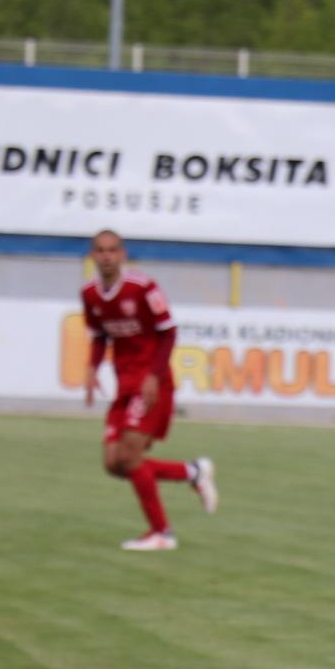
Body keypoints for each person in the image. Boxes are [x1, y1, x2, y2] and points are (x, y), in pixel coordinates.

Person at [80, 230, 217, 551]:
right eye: (100, 251)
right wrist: (92, 368)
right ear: (93, 256)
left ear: (122, 254)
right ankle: (192, 472)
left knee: (130, 457)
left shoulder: (143, 287)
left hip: (151, 385)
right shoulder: (89, 294)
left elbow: (168, 333)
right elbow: (100, 335)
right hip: (124, 386)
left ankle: (161, 533)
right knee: (114, 464)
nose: (107, 256)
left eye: (112, 250)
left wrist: (155, 375)